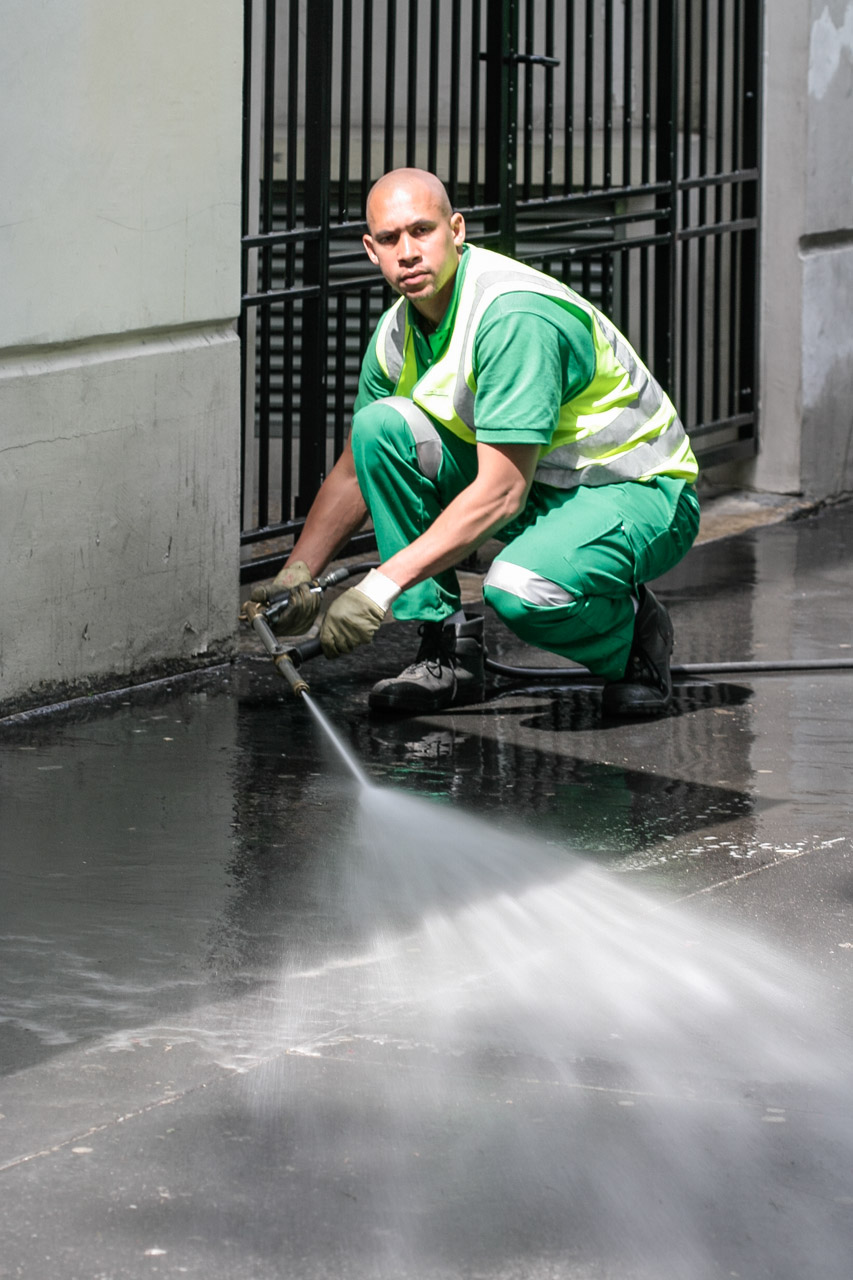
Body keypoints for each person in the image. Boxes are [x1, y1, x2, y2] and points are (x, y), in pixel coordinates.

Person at [248, 168, 699, 716]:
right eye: (390, 239)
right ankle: (448, 649)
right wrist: (301, 573)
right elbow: (353, 470)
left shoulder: (510, 317)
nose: (408, 252)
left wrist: (379, 587)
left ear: (456, 230)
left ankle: (635, 640)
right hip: (539, 487)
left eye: (422, 231)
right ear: (371, 250)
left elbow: (502, 493)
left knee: (520, 587)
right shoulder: (396, 332)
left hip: (636, 491)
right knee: (380, 429)